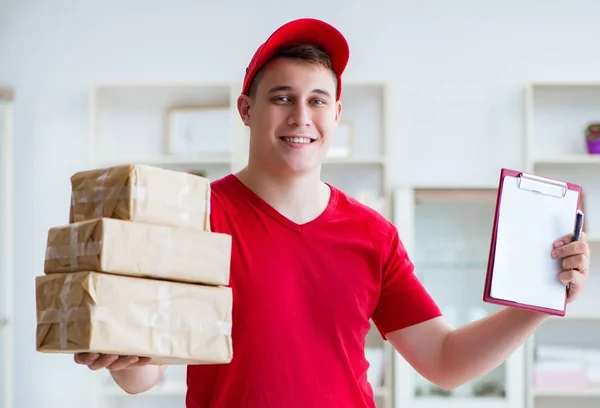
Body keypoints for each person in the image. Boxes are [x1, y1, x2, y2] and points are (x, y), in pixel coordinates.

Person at [74, 17, 591, 407]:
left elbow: (445, 361)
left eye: (318, 100)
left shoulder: (373, 235)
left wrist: (538, 303)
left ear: (337, 115)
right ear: (247, 109)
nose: (301, 116)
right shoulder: (195, 216)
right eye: (282, 97)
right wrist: (124, 360)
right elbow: (148, 371)